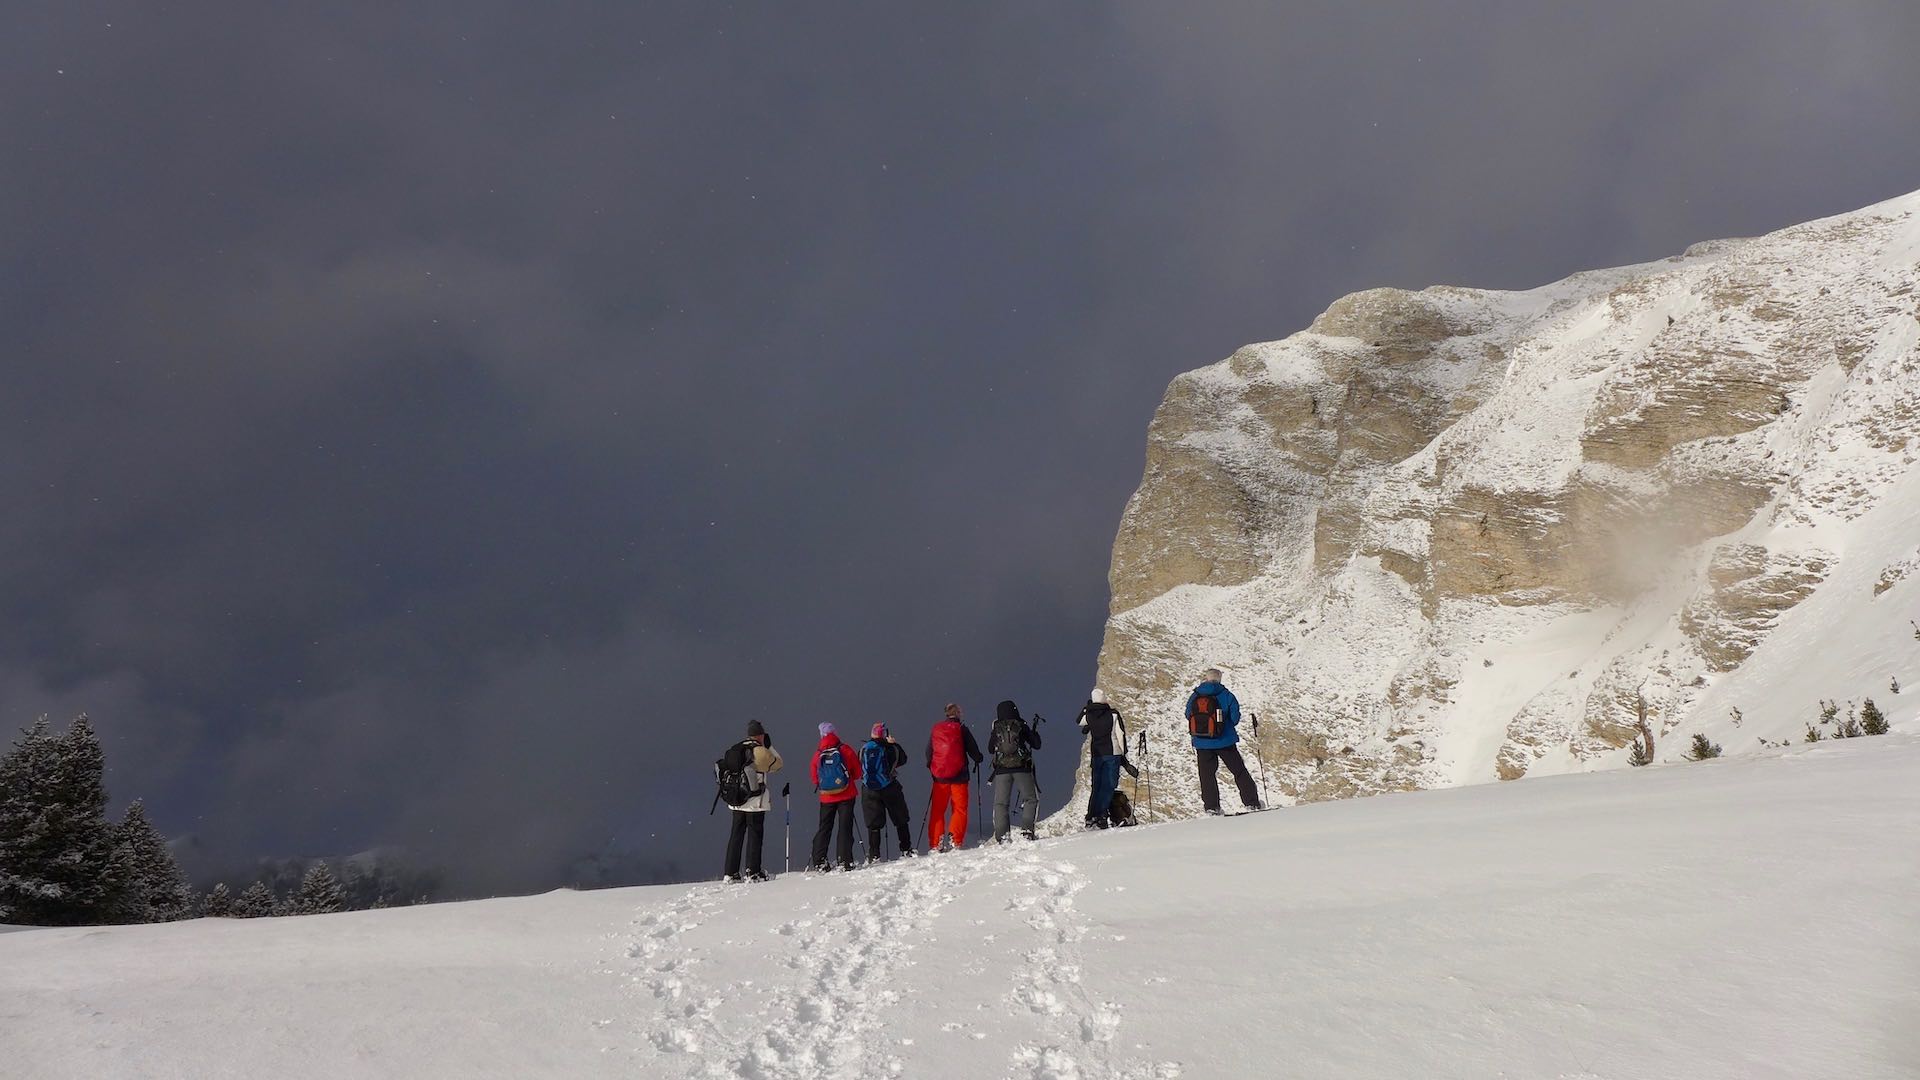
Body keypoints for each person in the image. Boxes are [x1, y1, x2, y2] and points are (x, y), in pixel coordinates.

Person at [1186, 667, 1261, 815]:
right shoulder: (1226, 695)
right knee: (1239, 771)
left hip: (1202, 742)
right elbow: (1234, 719)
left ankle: (1212, 808)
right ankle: (1251, 803)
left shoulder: (1195, 696)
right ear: (1219, 679)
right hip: (1225, 741)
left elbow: (1188, 714)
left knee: (1207, 776)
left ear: (1206, 679)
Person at [721, 720, 783, 882]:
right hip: (754, 801)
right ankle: (753, 871)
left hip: (737, 800)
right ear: (761, 735)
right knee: (755, 835)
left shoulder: (736, 749)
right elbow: (778, 765)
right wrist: (769, 747)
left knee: (736, 835)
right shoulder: (760, 751)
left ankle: (731, 872)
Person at [925, 703, 982, 851]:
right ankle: (955, 840)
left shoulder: (937, 729)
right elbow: (974, 751)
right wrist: (979, 758)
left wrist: (933, 769)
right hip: (960, 777)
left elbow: (928, 752)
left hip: (940, 778)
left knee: (938, 810)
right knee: (959, 808)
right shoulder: (962, 729)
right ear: (958, 713)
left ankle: (936, 843)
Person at [988, 700, 1044, 842]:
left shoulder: (997, 727)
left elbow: (990, 749)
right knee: (1030, 798)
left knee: (1001, 803)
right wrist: (1034, 733)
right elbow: (1036, 745)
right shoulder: (1020, 724)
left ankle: (1002, 837)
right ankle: (1026, 831)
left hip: (1001, 770)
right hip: (1021, 768)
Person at [809, 722, 862, 871]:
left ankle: (819, 861)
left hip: (826, 797)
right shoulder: (845, 750)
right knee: (845, 828)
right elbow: (857, 772)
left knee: (825, 827)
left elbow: (815, 778)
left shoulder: (818, 754)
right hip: (846, 795)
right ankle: (844, 861)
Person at [859, 723, 914, 860]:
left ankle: (874, 855)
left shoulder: (863, 749)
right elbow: (902, 759)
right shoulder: (889, 748)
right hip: (889, 787)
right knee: (900, 818)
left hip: (869, 789)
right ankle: (906, 849)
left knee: (874, 824)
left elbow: (859, 766)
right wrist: (894, 744)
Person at [1077, 689, 1128, 829]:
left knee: (1097, 787)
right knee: (1108, 786)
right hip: (1112, 753)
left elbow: (1079, 721)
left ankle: (1091, 816)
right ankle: (1101, 816)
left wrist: (1088, 707)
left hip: (1097, 755)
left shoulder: (1089, 715)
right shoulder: (1113, 714)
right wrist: (1123, 754)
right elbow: (1120, 734)